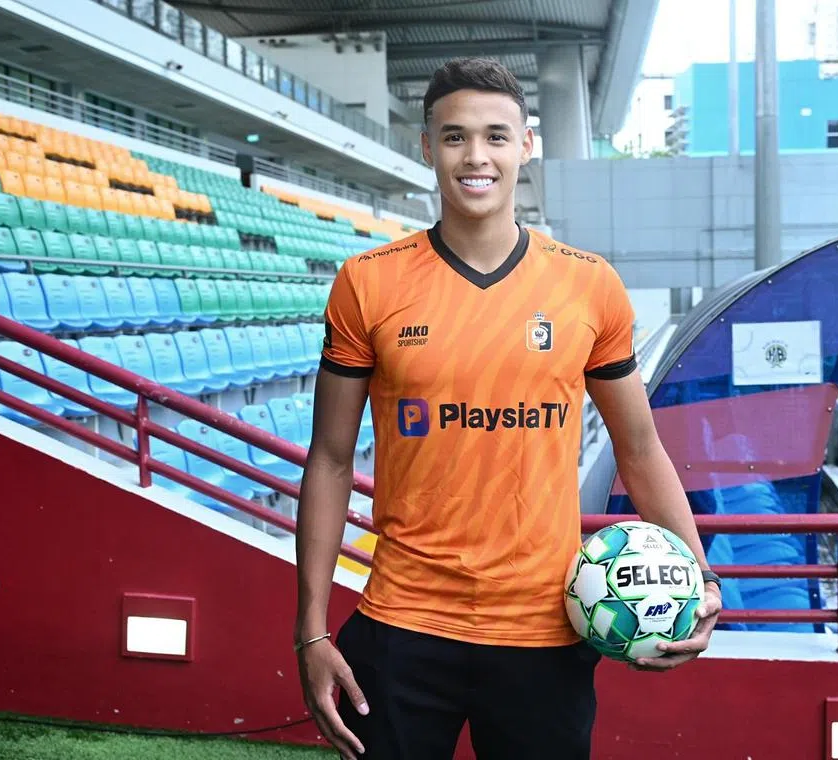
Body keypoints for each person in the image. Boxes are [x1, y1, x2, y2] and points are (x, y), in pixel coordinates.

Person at [293, 57, 722, 760]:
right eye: (455, 137)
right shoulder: (366, 283)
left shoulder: (590, 286)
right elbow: (332, 458)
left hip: (545, 633)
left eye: (496, 136)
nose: (475, 156)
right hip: (403, 627)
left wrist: (700, 578)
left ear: (527, 145)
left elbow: (640, 448)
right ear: (427, 147)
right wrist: (310, 630)